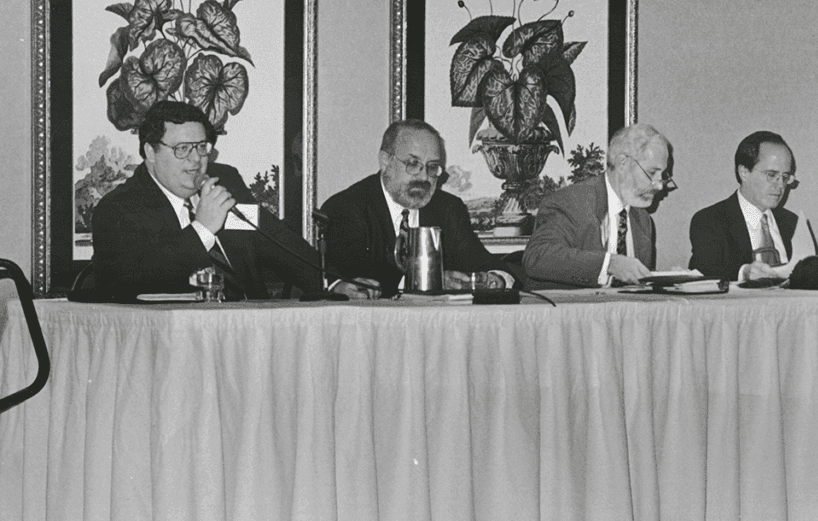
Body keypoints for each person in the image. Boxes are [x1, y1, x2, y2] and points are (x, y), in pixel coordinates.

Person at [91, 101, 368, 300]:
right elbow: (136, 281)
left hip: (249, 327)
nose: (196, 160)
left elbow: (276, 240)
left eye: (202, 147)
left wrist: (333, 283)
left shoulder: (224, 181)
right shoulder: (119, 209)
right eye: (182, 149)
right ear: (151, 152)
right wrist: (202, 229)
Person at [319, 119, 513, 296]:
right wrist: (429, 281)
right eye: (413, 164)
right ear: (386, 161)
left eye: (432, 167)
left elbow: (488, 265)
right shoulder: (347, 208)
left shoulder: (448, 209)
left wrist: (494, 280)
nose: (423, 177)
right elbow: (352, 281)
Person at [523, 124, 672, 289]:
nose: (659, 186)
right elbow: (537, 258)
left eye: (662, 175)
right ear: (622, 163)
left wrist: (668, 281)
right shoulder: (570, 202)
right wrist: (610, 264)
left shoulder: (643, 220)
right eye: (652, 173)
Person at [689, 130, 799, 282]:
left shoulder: (792, 223)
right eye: (772, 175)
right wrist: (744, 273)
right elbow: (706, 271)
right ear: (744, 172)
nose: (780, 185)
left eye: (785, 177)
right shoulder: (710, 221)